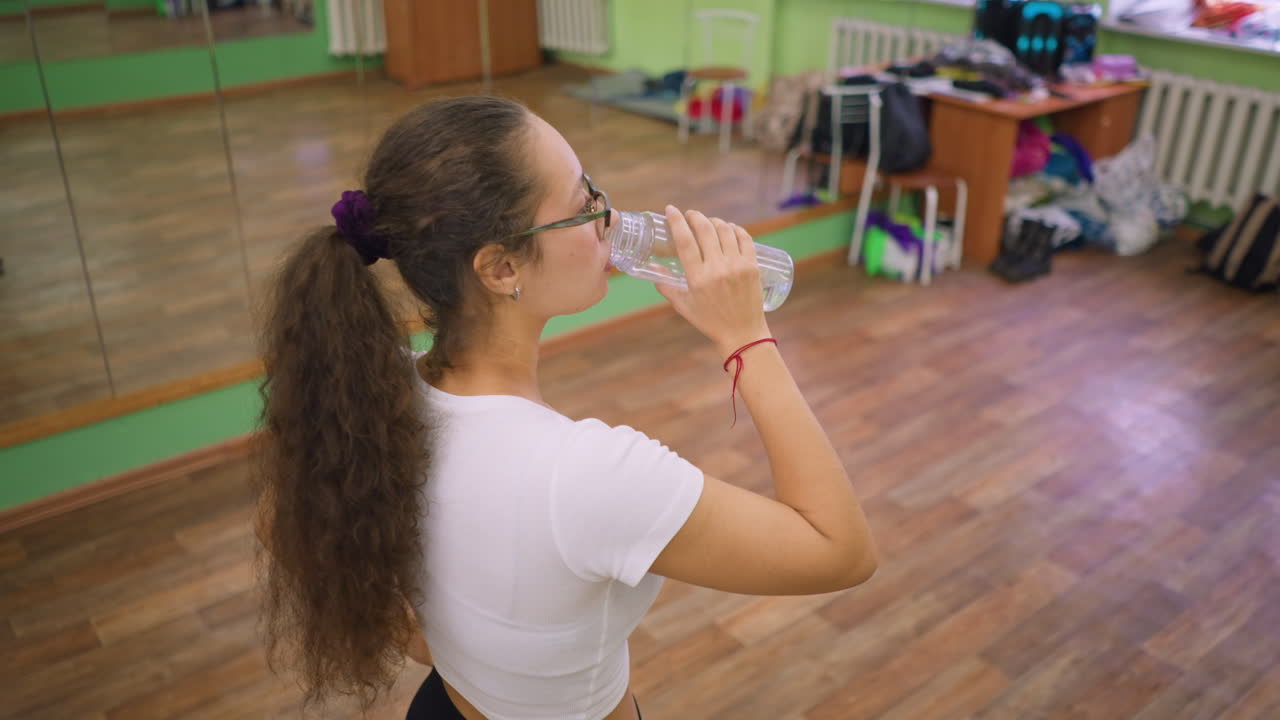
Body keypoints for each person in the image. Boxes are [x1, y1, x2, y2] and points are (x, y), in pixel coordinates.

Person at [255, 95, 878, 720]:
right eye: (583, 208)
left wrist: (441, 642)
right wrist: (747, 337)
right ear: (500, 268)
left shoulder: (375, 394)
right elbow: (840, 550)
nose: (609, 219)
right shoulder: (587, 473)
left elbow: (278, 518)